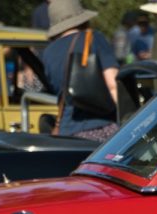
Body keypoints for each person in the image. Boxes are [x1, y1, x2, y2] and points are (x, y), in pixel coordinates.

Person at [42, 0, 118, 141]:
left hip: (67, 133)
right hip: (101, 127)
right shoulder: (94, 38)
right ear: (82, 19)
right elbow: (113, 84)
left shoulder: (48, 53)